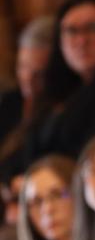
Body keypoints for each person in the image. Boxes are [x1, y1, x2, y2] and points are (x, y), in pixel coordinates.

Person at [0, 0, 95, 181]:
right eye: (71, 30)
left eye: (94, 28)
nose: (81, 41)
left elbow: (87, 155)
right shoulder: (60, 87)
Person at [0, 17, 55, 167]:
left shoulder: (56, 111)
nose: (28, 79)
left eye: (40, 73)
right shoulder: (10, 99)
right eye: (23, 66)